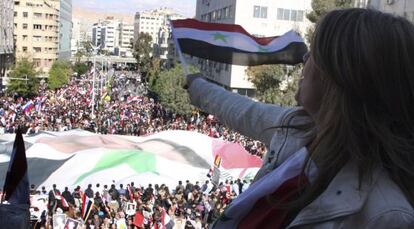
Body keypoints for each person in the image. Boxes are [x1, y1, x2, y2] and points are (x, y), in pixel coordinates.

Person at [185, 8, 414, 228]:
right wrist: (197, 86)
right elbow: (241, 111)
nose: (304, 59)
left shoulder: (386, 217)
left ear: (340, 77)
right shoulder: (295, 127)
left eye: (314, 53)